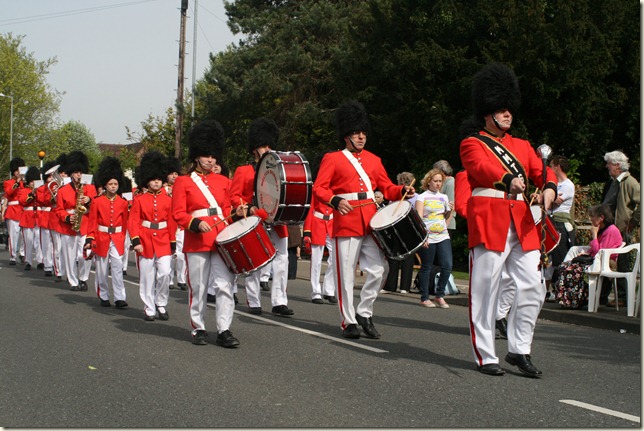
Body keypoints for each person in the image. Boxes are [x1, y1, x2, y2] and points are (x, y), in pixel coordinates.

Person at [459, 63, 557, 377]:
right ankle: (486, 354)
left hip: (522, 222)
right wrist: (507, 179)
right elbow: (480, 169)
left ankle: (519, 349)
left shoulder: (522, 145)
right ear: (487, 112)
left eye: (508, 108)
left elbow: (543, 171)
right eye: (500, 109)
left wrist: (550, 189)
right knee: (485, 290)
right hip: (490, 220)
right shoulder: (472, 142)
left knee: (533, 286)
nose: (506, 114)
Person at [312, 100, 415, 339]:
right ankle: (348, 320)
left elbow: (386, 186)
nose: (361, 137)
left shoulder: (374, 159)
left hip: (369, 220)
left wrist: (401, 191)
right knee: (345, 274)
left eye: (363, 133)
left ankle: (364, 312)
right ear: (346, 136)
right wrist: (335, 201)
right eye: (356, 133)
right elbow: (319, 188)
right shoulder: (333, 158)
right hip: (346, 220)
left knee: (381, 269)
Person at [172, 120, 244, 347]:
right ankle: (198, 327)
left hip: (221, 238)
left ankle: (224, 329)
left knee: (225, 285)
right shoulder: (183, 182)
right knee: (199, 286)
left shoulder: (224, 181)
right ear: (196, 157)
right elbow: (178, 213)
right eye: (206, 155)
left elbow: (226, 210)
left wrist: (237, 212)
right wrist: (194, 223)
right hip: (197, 239)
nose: (211, 160)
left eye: (213, 155)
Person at [229, 117, 294, 317]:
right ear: (254, 148)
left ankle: (279, 301)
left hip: (276, 220)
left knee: (282, 260)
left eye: (267, 145)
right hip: (255, 219)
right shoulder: (243, 170)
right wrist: (247, 208)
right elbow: (234, 196)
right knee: (255, 261)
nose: (265, 149)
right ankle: (254, 300)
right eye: (261, 145)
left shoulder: (278, 169)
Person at [129, 152, 177, 319]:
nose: (156, 181)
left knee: (165, 273)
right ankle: (149, 307)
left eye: (158, 179)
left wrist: (172, 241)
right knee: (147, 276)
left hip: (163, 238)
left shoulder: (169, 199)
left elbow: (172, 222)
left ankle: (161, 302)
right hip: (145, 238)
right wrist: (136, 241)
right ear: (147, 181)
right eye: (153, 179)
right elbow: (133, 221)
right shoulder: (140, 199)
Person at [553, 204, 623, 308]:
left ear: (601, 218)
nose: (591, 219)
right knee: (566, 267)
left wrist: (594, 235)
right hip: (597, 260)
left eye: (593, 216)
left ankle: (574, 300)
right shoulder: (602, 229)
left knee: (573, 269)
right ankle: (569, 300)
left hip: (606, 262)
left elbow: (600, 252)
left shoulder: (611, 230)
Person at [85, 157, 130, 309]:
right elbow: (92, 222)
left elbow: (124, 223)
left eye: (115, 184)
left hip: (117, 237)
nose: (113, 187)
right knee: (102, 268)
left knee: (117, 267)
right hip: (101, 237)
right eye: (110, 184)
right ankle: (103, 295)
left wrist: (123, 238)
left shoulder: (123, 202)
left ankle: (119, 297)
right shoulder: (97, 201)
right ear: (105, 185)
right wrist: (90, 239)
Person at [600, 150, 640, 307]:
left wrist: (633, 221)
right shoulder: (613, 182)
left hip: (621, 229)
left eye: (609, 164)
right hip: (610, 229)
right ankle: (603, 296)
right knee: (606, 261)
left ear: (617, 165)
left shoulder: (630, 182)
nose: (607, 166)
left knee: (622, 262)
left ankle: (623, 297)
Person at [54, 151, 98, 292]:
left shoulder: (90, 188)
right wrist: (67, 217)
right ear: (71, 173)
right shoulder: (63, 190)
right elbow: (59, 209)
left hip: (85, 223)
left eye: (81, 172)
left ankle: (83, 278)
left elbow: (98, 204)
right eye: (76, 172)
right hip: (69, 225)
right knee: (69, 255)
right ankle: (73, 280)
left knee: (84, 253)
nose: (79, 175)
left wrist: (90, 200)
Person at [415, 168, 453, 309]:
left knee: (447, 265)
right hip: (428, 236)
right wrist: (423, 237)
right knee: (427, 266)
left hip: (442, 235)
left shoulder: (444, 197)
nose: (438, 184)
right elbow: (418, 219)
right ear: (428, 181)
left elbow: (446, 217)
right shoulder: (422, 197)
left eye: (440, 181)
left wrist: (450, 210)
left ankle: (439, 294)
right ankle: (424, 297)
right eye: (435, 181)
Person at [544, 155, 576, 302]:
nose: (549, 169)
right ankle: (546, 290)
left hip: (560, 223)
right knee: (548, 257)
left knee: (559, 258)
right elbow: (550, 200)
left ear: (557, 167)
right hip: (551, 220)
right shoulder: (555, 184)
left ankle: (560, 290)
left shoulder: (568, 185)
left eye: (551, 166)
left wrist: (548, 197)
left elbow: (555, 202)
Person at [382, 172, 417, 294]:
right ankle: (401, 287)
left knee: (398, 256)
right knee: (399, 256)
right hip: (398, 228)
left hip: (406, 227)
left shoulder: (415, 197)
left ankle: (395, 286)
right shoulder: (395, 197)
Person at [302, 192, 337, 304]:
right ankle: (316, 292)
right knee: (316, 261)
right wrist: (307, 231)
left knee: (335, 259)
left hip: (332, 224)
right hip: (317, 223)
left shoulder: (336, 188)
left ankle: (328, 290)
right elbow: (310, 209)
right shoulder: (316, 190)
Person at [165, 157, 188, 291]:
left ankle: (181, 279)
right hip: (167, 225)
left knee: (181, 255)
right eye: (171, 173)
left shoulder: (181, 188)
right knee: (169, 254)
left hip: (180, 225)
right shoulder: (162, 190)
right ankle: (168, 279)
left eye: (176, 173)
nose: (174, 176)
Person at [17, 167, 41, 270]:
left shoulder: (40, 191)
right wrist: (32, 194)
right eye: (31, 182)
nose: (32, 184)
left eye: (34, 181)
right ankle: (28, 261)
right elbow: (22, 201)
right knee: (28, 240)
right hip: (27, 217)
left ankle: (41, 261)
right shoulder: (24, 191)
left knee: (39, 241)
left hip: (38, 216)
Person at [4, 157, 25, 265]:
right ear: (14, 171)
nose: (18, 173)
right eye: (17, 171)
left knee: (23, 235)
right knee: (13, 235)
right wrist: (17, 182)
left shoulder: (24, 182)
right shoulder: (8, 182)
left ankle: (22, 253)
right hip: (13, 210)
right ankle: (13, 256)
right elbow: (9, 192)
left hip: (23, 211)